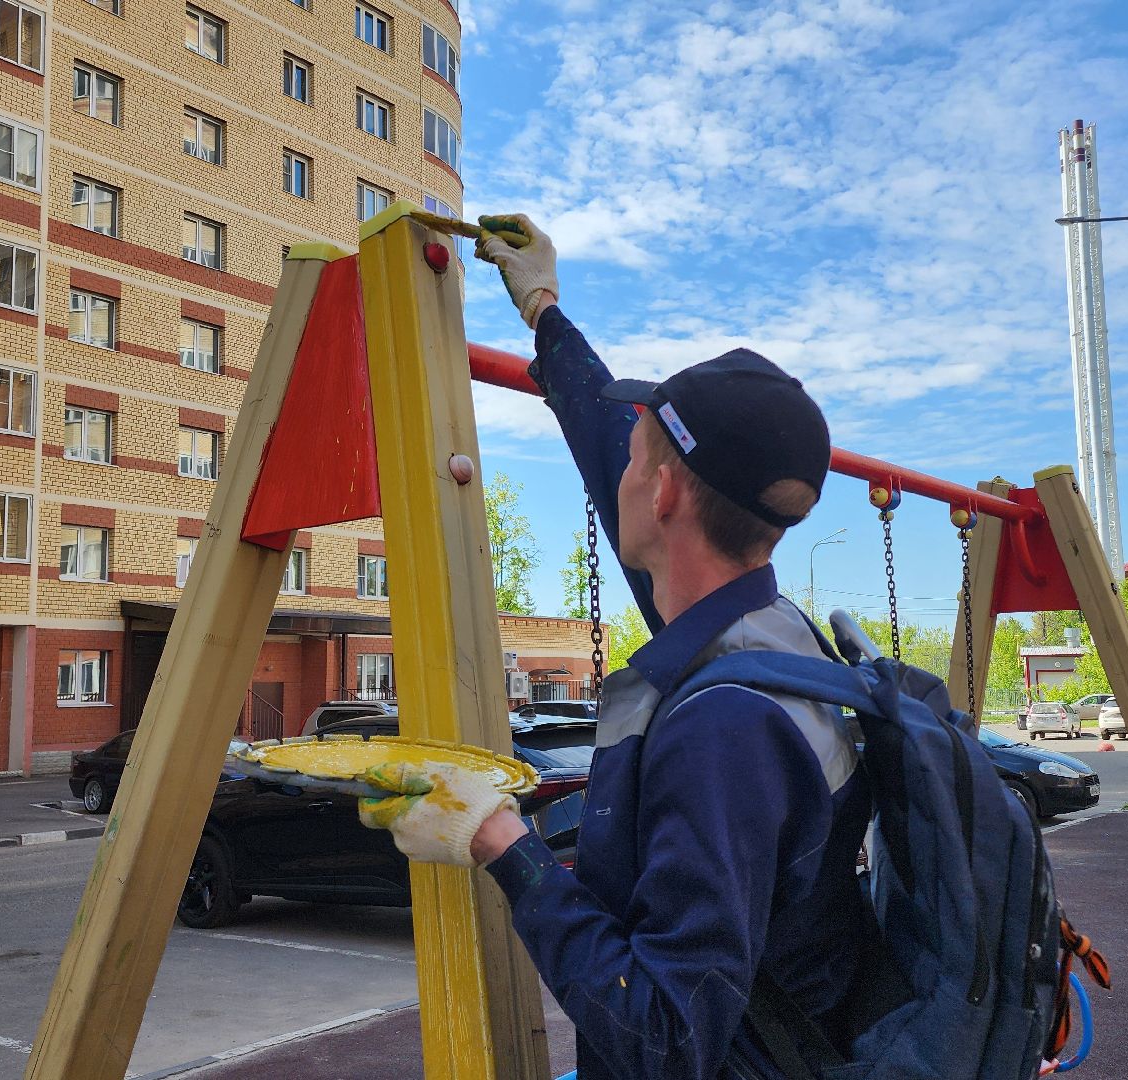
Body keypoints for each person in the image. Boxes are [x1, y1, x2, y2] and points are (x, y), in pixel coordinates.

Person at [358, 215, 876, 1079]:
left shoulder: (726, 729)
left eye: (639, 454)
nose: (622, 470)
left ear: (665, 492)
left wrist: (500, 844)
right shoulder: (778, 642)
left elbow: (665, 1038)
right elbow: (611, 455)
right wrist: (543, 311)